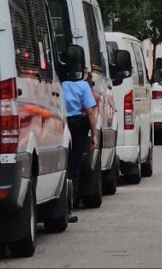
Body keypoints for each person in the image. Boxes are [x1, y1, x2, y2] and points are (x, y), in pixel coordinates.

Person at [63, 68, 98, 223]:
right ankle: (70, 204)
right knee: (74, 165)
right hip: (76, 125)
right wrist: (94, 135)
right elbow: (90, 111)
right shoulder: (83, 86)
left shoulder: (57, 83)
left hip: (59, 123)